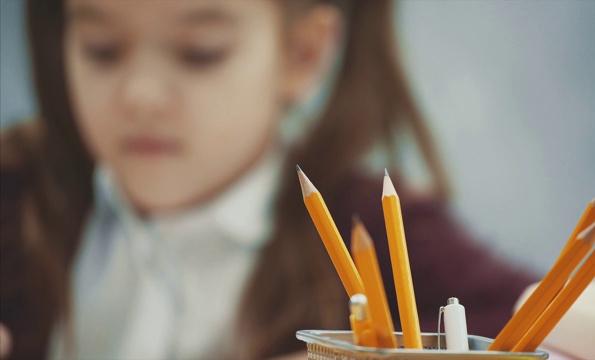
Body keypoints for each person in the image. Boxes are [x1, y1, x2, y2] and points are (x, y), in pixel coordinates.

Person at [0, 0, 536, 359]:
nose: (139, 95)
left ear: (302, 55)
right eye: (102, 48)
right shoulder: (14, 191)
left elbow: (548, 328)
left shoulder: (375, 228)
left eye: (199, 53)